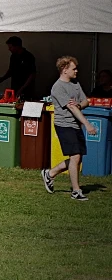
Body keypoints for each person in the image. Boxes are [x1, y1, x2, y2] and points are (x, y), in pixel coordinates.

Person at [42, 56, 99, 201]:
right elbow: (72, 108)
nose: (76, 71)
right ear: (64, 69)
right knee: (75, 156)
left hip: (75, 124)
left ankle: (50, 173)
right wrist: (87, 124)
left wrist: (80, 105)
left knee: (77, 158)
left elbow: (85, 101)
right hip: (64, 124)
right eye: (74, 68)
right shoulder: (58, 87)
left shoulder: (75, 84)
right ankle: (76, 191)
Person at [0, 36, 37, 101]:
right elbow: (11, 70)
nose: (9, 49)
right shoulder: (13, 56)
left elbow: (32, 74)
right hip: (15, 87)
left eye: (10, 47)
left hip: (26, 89)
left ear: (17, 46)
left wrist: (23, 88)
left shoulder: (28, 56)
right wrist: (3, 78)